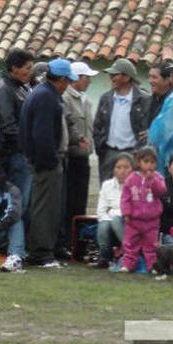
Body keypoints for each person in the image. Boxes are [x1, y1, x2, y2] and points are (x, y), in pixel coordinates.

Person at [20, 58, 76, 268]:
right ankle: (41, 253)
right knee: (46, 209)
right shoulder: (47, 97)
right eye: (67, 81)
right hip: (46, 164)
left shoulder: (42, 93)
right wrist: (51, 161)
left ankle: (41, 251)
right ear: (61, 79)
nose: (67, 85)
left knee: (43, 206)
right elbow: (42, 135)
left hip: (41, 161)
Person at [0, 49, 34, 220]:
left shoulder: (20, 87)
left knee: (23, 205)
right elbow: (8, 127)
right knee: (16, 205)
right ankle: (8, 245)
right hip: (14, 155)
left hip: (23, 154)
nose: (30, 72)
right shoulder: (3, 90)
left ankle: (17, 245)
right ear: (14, 68)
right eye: (27, 68)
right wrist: (27, 146)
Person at [93, 58, 152, 182]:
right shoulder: (106, 98)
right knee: (108, 192)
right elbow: (97, 126)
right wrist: (101, 147)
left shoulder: (144, 99)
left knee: (133, 192)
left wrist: (141, 149)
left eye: (115, 75)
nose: (111, 78)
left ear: (126, 77)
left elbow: (150, 126)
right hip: (109, 153)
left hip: (134, 153)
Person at [62, 61, 98, 255]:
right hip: (71, 158)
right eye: (86, 78)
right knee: (70, 203)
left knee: (81, 202)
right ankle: (68, 242)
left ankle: (78, 243)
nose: (89, 82)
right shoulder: (66, 98)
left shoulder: (85, 100)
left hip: (84, 157)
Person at [119, 147, 166, 274]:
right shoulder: (132, 179)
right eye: (146, 162)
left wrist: (152, 181)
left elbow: (161, 191)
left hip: (151, 220)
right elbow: (125, 197)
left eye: (152, 162)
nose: (149, 165)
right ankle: (128, 265)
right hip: (134, 220)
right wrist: (126, 213)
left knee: (151, 245)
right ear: (139, 162)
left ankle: (152, 266)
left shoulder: (158, 177)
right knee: (130, 244)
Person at [94, 153, 132, 269]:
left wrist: (117, 216)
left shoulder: (137, 186)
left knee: (116, 220)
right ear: (113, 170)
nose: (122, 171)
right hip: (111, 223)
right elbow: (101, 212)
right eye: (118, 167)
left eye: (126, 167)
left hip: (130, 223)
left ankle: (130, 252)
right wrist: (111, 219)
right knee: (104, 225)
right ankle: (105, 258)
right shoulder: (107, 185)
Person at [0, 157, 25, 273]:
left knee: (16, 220)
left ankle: (15, 258)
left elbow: (12, 212)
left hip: (1, 235)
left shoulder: (11, 191)